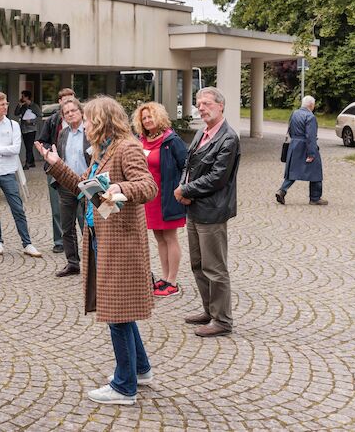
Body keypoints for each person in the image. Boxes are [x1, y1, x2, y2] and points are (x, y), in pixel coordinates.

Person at [35, 96, 157, 405]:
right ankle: (140, 369)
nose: (84, 124)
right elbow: (84, 186)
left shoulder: (125, 147)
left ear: (102, 120)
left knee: (117, 313)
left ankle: (124, 386)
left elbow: (148, 186)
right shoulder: (102, 150)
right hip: (102, 233)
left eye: (89, 119)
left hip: (121, 240)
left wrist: (121, 188)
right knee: (121, 310)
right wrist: (56, 165)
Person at [173, 87, 240, 338]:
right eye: (198, 104)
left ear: (221, 106)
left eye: (207, 103)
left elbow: (217, 178)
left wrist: (186, 190)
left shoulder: (228, 138)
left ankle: (222, 320)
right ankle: (209, 310)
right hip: (194, 207)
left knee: (215, 267)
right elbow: (188, 165)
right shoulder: (202, 132)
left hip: (213, 211)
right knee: (198, 264)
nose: (201, 108)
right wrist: (184, 187)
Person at [133, 102, 187, 297]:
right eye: (144, 118)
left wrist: (183, 190)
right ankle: (164, 278)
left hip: (169, 195)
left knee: (170, 237)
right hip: (150, 198)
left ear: (159, 117)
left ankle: (172, 280)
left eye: (150, 116)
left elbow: (186, 166)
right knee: (159, 239)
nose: (147, 120)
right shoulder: (141, 140)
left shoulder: (172, 140)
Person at [0, 92, 41, 257]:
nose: (6, 106)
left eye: (6, 103)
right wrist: (3, 151)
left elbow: (16, 150)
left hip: (7, 173)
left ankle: (27, 244)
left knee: (18, 208)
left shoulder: (13, 125)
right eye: (2, 104)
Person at [37, 88, 76, 253]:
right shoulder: (53, 121)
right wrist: (50, 153)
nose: (68, 104)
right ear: (59, 102)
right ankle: (60, 242)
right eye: (64, 100)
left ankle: (86, 240)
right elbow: (42, 141)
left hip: (77, 170)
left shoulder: (84, 121)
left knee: (82, 209)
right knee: (57, 207)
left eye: (71, 100)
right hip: (56, 169)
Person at [53, 97, 90, 277]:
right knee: (67, 226)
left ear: (81, 112)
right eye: (66, 112)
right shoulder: (63, 134)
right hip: (67, 185)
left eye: (73, 111)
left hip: (87, 184)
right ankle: (73, 263)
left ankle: (94, 262)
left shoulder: (90, 131)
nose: (70, 114)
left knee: (89, 225)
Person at [276, 95, 327, 206]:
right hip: (305, 146)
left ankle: (282, 190)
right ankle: (315, 198)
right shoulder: (310, 117)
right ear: (311, 105)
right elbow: (311, 137)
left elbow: (289, 129)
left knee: (293, 171)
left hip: (294, 145)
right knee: (316, 171)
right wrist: (311, 153)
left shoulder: (294, 113)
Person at [14, 90, 42, 170]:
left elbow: (40, 117)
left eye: (23, 96)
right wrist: (19, 105)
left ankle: (27, 163)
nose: (21, 98)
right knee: (27, 146)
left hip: (31, 129)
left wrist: (32, 121)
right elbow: (16, 113)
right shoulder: (23, 106)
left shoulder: (34, 106)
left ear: (27, 97)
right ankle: (32, 162)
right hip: (24, 129)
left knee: (29, 146)